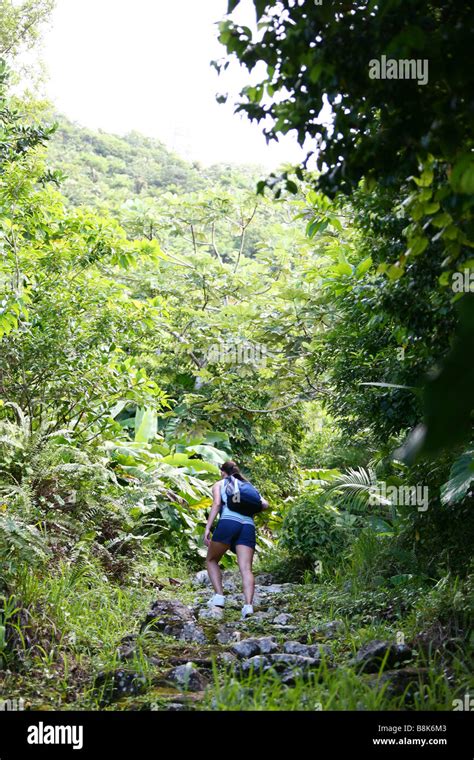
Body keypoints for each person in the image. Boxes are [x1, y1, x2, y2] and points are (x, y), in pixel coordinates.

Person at [204, 460, 269, 619]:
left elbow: (217, 504)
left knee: (212, 560)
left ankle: (219, 597)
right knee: (246, 568)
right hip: (248, 525)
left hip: (228, 522)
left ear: (222, 472)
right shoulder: (247, 486)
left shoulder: (220, 484)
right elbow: (265, 505)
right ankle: (248, 607)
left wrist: (208, 527)